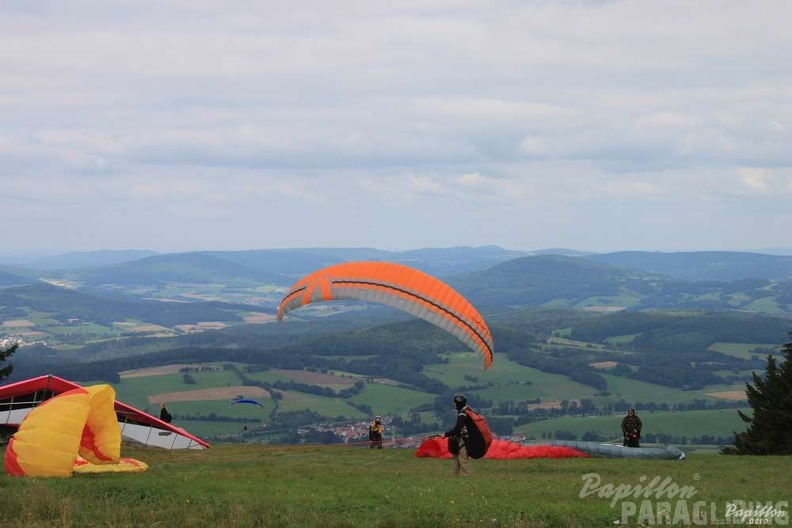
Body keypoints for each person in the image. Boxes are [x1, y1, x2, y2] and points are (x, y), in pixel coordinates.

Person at [440, 394, 473, 476]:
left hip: (463, 439)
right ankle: (454, 474)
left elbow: (457, 429)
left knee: (462, 458)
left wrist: (446, 434)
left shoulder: (462, 414)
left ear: (459, 403)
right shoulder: (465, 412)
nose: (453, 404)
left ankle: (467, 475)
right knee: (455, 456)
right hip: (461, 438)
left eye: (455, 403)